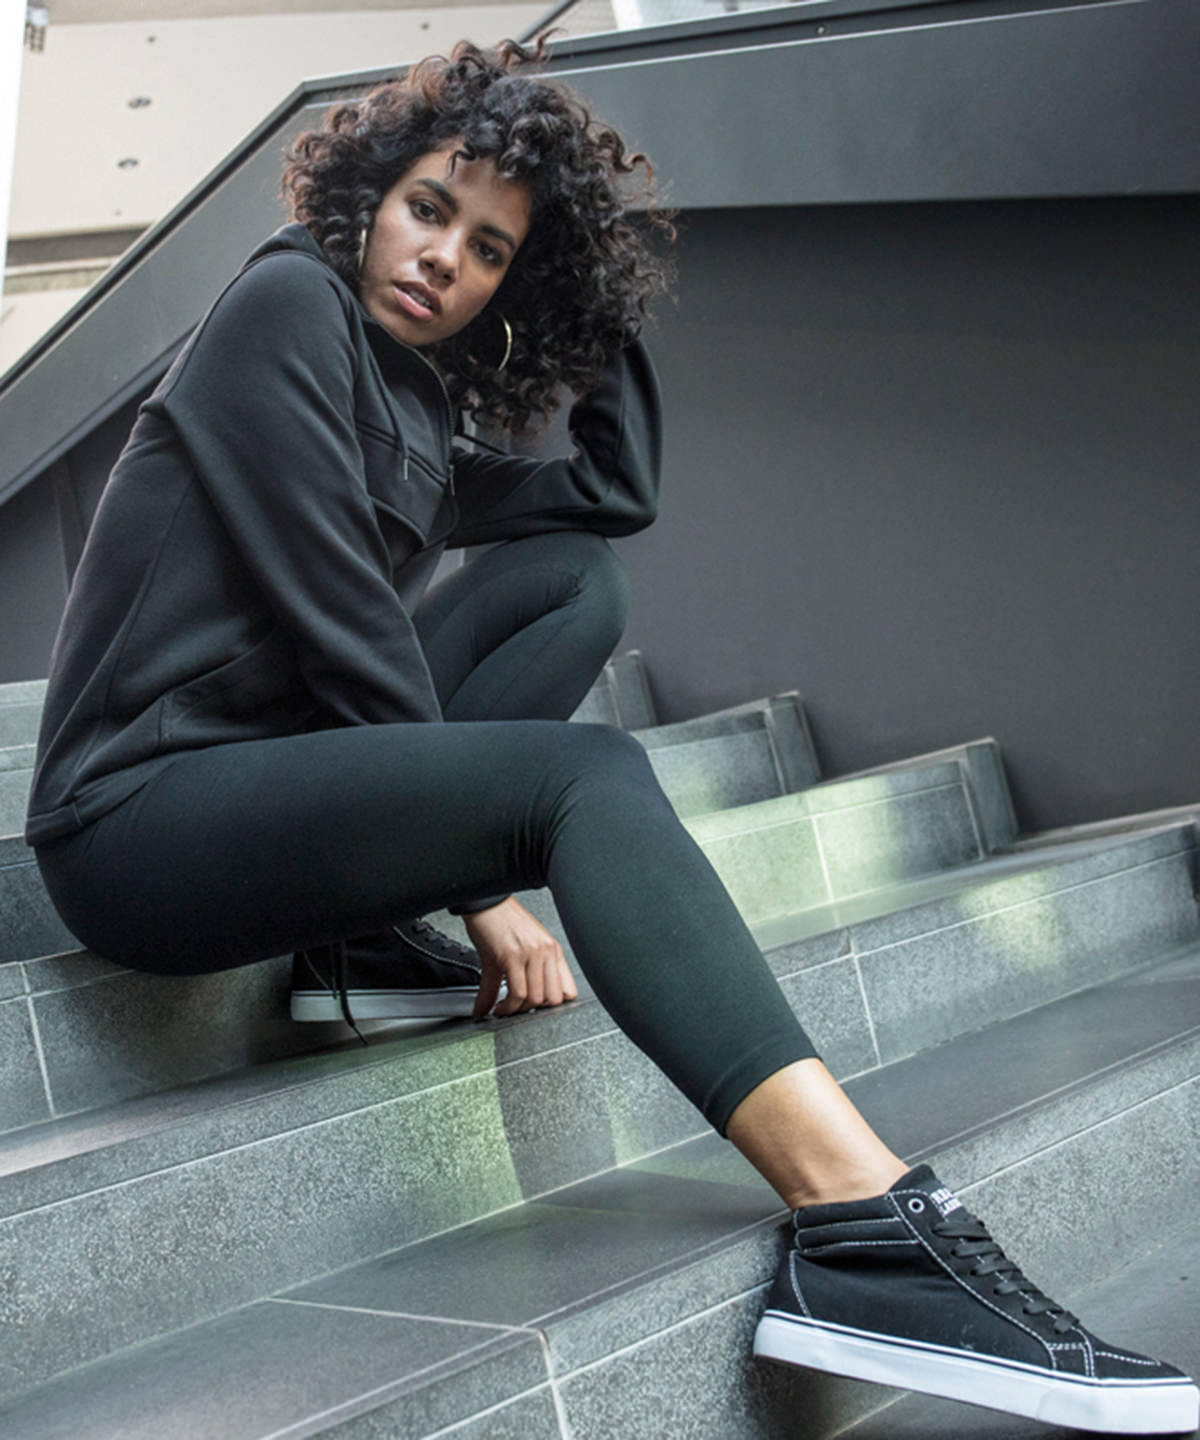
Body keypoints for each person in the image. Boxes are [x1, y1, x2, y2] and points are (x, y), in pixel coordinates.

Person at [24, 39, 1197, 1437]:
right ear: (367, 199)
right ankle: (865, 1226)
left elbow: (605, 492)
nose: (443, 258)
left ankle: (356, 940)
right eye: (427, 210)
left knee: (574, 582)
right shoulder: (284, 304)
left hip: (267, 789)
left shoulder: (414, 399)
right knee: (584, 776)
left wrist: (587, 299)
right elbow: (343, 617)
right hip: (137, 819)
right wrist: (481, 888)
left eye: (490, 250)